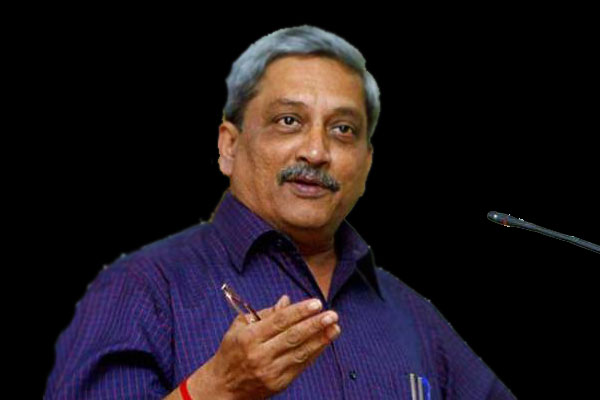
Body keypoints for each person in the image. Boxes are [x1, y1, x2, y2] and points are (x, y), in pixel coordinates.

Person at [45, 25, 516, 399]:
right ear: (229, 146)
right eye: (288, 121)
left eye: (343, 129)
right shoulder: (141, 287)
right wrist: (216, 389)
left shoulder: (412, 315)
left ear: (367, 164)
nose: (317, 151)